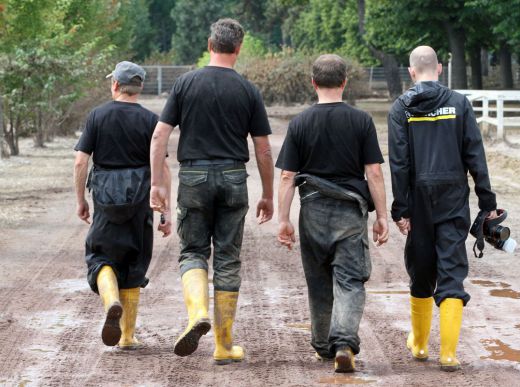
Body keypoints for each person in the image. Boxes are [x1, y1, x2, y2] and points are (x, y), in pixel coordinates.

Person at [149, 18, 274, 364]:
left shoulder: (185, 83)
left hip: (194, 176)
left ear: (209, 45)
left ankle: (196, 314)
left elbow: (160, 136)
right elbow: (263, 149)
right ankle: (223, 345)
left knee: (192, 251)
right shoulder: (248, 90)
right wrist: (268, 193)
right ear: (238, 49)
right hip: (234, 176)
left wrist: (156, 182)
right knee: (228, 258)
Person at [276, 54, 389, 373]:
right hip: (349, 212)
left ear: (313, 83)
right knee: (350, 280)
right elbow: (374, 173)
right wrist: (381, 215)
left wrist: (283, 220)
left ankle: (324, 346)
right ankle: (343, 343)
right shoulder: (361, 121)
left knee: (319, 280)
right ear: (344, 82)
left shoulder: (299, 123)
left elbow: (287, 176)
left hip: (312, 209)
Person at [388, 46, 498, 371]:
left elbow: (399, 163)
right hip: (452, 196)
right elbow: (475, 156)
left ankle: (420, 345)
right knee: (452, 272)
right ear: (438, 69)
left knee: (421, 269)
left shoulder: (401, 108)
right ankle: (448, 354)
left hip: (419, 198)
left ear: (411, 72)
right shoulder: (459, 104)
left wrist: (401, 209)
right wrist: (487, 202)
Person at [74, 61, 172, 349]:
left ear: (115, 85)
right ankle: (127, 337)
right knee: (134, 264)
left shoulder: (97, 116)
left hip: (105, 200)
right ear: (139, 88)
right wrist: (165, 212)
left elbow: (81, 161)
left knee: (99, 257)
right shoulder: (151, 121)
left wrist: (81, 200)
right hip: (139, 201)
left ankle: (110, 299)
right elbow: (163, 169)